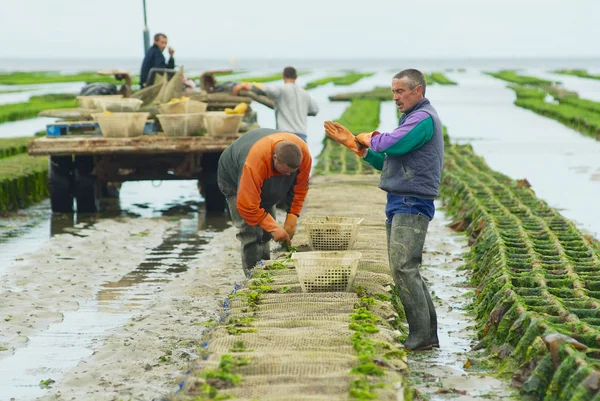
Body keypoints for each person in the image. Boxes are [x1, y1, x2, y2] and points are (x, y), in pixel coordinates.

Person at [324, 69, 444, 352]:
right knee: (406, 268)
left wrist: (371, 136)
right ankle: (427, 334)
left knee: (404, 268)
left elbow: (392, 142)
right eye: (393, 92)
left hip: (412, 202)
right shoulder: (412, 119)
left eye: (400, 91)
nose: (395, 98)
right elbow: (389, 161)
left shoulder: (422, 119)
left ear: (418, 91)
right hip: (400, 201)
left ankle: (420, 338)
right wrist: (356, 146)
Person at [217, 128, 312, 276]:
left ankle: (266, 269)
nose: (288, 175)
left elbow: (300, 189)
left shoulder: (304, 156)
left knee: (267, 232)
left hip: (263, 174)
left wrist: (292, 217)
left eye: (291, 172)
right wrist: (274, 228)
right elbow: (248, 206)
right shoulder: (254, 163)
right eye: (285, 171)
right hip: (234, 178)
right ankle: (253, 276)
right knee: (251, 231)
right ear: (275, 158)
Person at [233, 67, 319, 142]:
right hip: (301, 136)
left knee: (283, 159)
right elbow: (315, 110)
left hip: (285, 135)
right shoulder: (304, 93)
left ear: (283, 76)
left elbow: (264, 89)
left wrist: (246, 86)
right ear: (296, 77)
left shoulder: (281, 89)